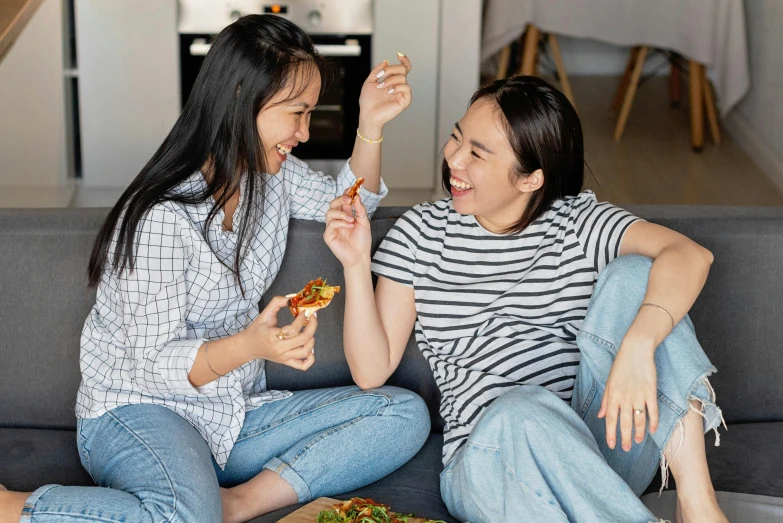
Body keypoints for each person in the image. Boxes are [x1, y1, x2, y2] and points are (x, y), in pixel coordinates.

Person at [0, 14, 430, 523]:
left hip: (229, 414)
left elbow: (350, 201)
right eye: (296, 113)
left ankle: (237, 503)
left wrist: (372, 124)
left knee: (400, 413)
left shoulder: (271, 178)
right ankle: (12, 507)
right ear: (242, 97)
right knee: (182, 514)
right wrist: (252, 345)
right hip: (139, 411)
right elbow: (154, 366)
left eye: (310, 114)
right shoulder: (162, 217)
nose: (305, 133)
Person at [323, 75, 729, 523]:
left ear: (533, 177)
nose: (454, 159)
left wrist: (639, 345)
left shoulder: (577, 224)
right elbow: (370, 370)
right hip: (484, 464)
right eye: (457, 137)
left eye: (478, 153)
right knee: (519, 411)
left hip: (596, 450)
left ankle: (699, 507)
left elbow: (691, 255)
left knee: (638, 275)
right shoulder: (420, 233)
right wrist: (356, 263)